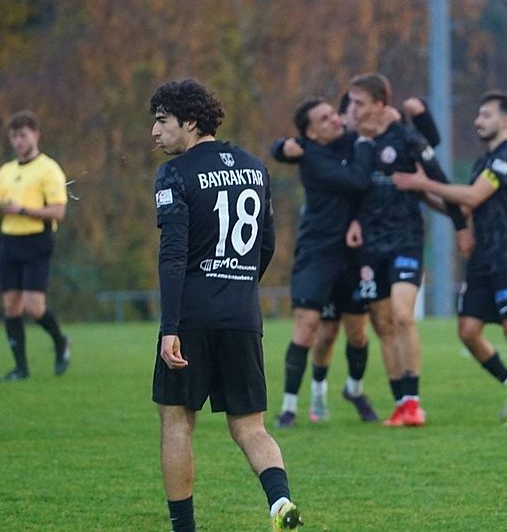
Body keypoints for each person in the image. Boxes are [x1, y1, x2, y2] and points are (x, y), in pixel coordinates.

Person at [149, 79, 301, 531]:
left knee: (176, 424)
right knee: (250, 427)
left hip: (191, 316)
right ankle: (280, 502)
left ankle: (184, 528)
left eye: (161, 121)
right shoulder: (255, 166)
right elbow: (266, 244)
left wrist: (170, 325)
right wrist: (237, 287)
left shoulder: (174, 174)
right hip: (241, 315)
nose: (154, 133)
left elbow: (173, 255)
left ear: (190, 122)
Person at [392, 90, 507, 427]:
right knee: (468, 330)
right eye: (478, 114)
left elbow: (473, 195)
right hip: (481, 258)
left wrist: (425, 181)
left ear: (505, 121)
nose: (478, 121)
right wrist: (423, 193)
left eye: (486, 115)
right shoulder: (483, 162)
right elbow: (462, 206)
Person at [346, 72, 469, 427]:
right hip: (369, 243)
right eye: (351, 103)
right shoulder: (356, 141)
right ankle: (400, 403)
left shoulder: (406, 138)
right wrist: (354, 221)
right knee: (383, 323)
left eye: (359, 104)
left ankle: (414, 402)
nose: (352, 111)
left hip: (406, 238)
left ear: (381, 104)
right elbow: (352, 189)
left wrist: (461, 228)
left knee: (402, 314)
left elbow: (441, 182)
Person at [269, 97, 381, 427]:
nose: (334, 120)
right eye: (324, 119)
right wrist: (280, 147)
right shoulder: (313, 157)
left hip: (354, 255)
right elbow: (358, 180)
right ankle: (289, 407)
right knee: (308, 328)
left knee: (357, 334)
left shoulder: (348, 139)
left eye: (334, 113)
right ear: (311, 134)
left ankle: (355, 390)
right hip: (317, 253)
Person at [0, 110, 71, 381]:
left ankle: (60, 341)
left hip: (37, 240)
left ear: (36, 135)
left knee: (33, 307)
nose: (18, 142)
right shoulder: (6, 171)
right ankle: (21, 368)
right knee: (10, 304)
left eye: (22, 135)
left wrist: (22, 210)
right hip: (9, 240)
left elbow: (58, 212)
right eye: (13, 137)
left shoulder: (49, 169)